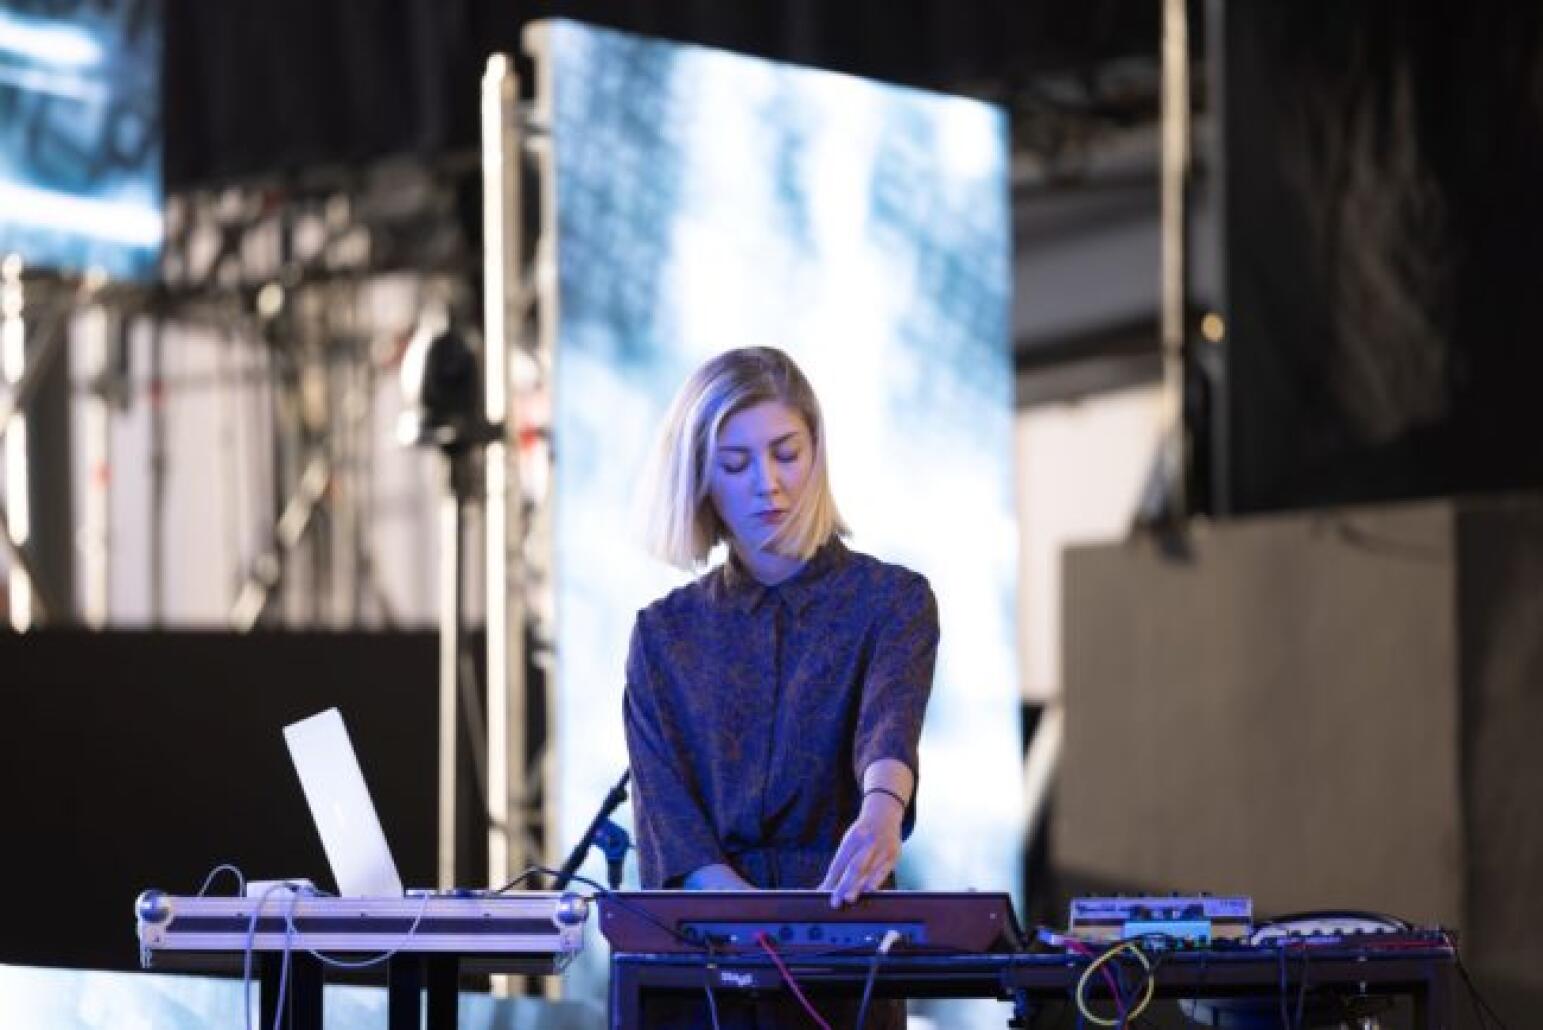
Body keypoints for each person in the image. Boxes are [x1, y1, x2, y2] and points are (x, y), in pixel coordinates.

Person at [623, 346, 938, 1028]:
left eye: (785, 453)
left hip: (843, 951)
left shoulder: (891, 601)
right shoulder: (662, 634)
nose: (766, 484)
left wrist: (881, 813)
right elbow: (669, 822)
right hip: (704, 971)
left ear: (817, 452)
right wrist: (753, 924)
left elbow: (889, 728)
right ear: (700, 478)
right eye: (735, 465)